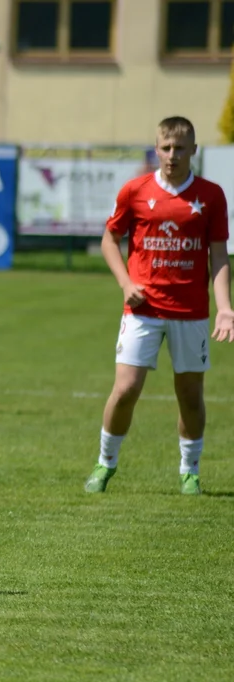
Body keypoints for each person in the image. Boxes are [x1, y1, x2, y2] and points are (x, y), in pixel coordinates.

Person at [84, 116, 232, 495]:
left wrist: (225, 308)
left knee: (190, 395)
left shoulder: (211, 195)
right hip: (142, 311)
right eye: (165, 148)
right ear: (156, 149)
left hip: (191, 313)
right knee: (126, 389)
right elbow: (108, 240)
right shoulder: (134, 191)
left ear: (193, 150)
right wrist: (125, 282)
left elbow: (219, 256)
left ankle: (190, 471)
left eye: (180, 148)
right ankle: (105, 464)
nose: (171, 155)